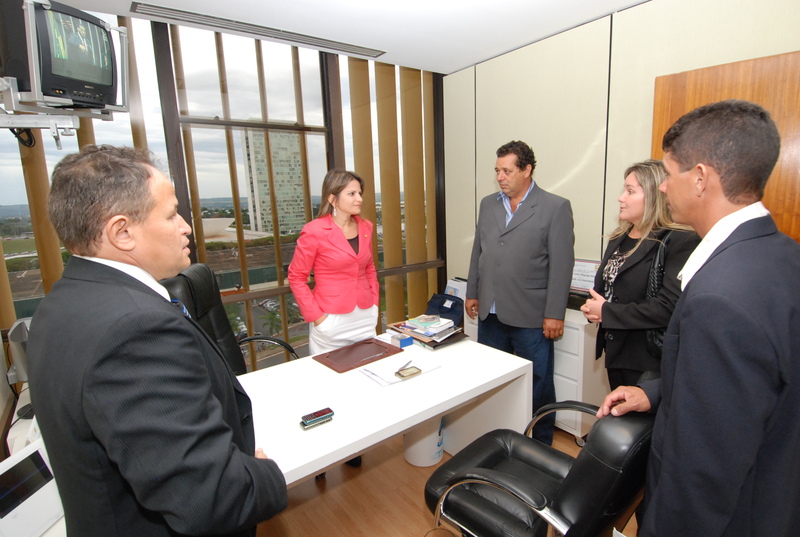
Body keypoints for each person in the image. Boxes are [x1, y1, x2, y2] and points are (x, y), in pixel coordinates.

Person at [27, 145, 288, 537]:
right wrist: (263, 472)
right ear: (122, 232)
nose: (186, 227)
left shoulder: (60, 303)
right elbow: (215, 499)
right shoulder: (134, 328)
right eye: (171, 214)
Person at [597, 100, 800, 537]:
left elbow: (703, 471)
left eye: (670, 174)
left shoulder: (720, 297)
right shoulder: (783, 253)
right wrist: (654, 392)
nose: (663, 186)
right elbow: (751, 386)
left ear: (701, 178)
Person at [465, 140, 574, 445]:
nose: (500, 177)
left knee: (538, 382)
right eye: (497, 171)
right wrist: (473, 291)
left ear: (527, 170)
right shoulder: (488, 204)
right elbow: (479, 252)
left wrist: (555, 313)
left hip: (531, 316)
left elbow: (562, 265)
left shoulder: (554, 207)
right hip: (491, 312)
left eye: (507, 171)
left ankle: (540, 445)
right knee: (493, 379)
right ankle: (498, 439)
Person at [581, 159, 699, 389]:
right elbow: (608, 289)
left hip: (648, 359)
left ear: (654, 196)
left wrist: (607, 312)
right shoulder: (619, 237)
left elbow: (668, 307)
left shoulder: (680, 241)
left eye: (630, 191)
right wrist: (593, 308)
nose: (620, 198)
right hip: (616, 351)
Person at [288, 169, 380, 356]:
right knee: (330, 370)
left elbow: (369, 266)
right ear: (332, 198)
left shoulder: (366, 227)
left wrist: (375, 304)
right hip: (331, 319)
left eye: (359, 193)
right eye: (352, 194)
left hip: (365, 317)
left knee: (368, 365)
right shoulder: (314, 231)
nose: (359, 199)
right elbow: (296, 277)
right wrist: (318, 318)